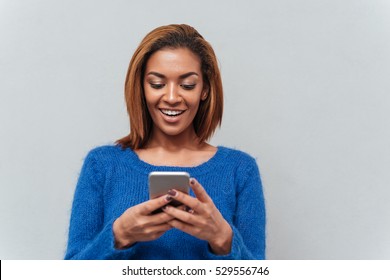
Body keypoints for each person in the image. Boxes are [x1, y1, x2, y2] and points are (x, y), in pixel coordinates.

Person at [64, 24, 266, 260]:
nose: (171, 98)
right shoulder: (102, 165)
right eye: (157, 84)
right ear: (141, 87)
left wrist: (223, 240)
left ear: (205, 89)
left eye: (187, 85)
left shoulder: (240, 170)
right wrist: (118, 235)